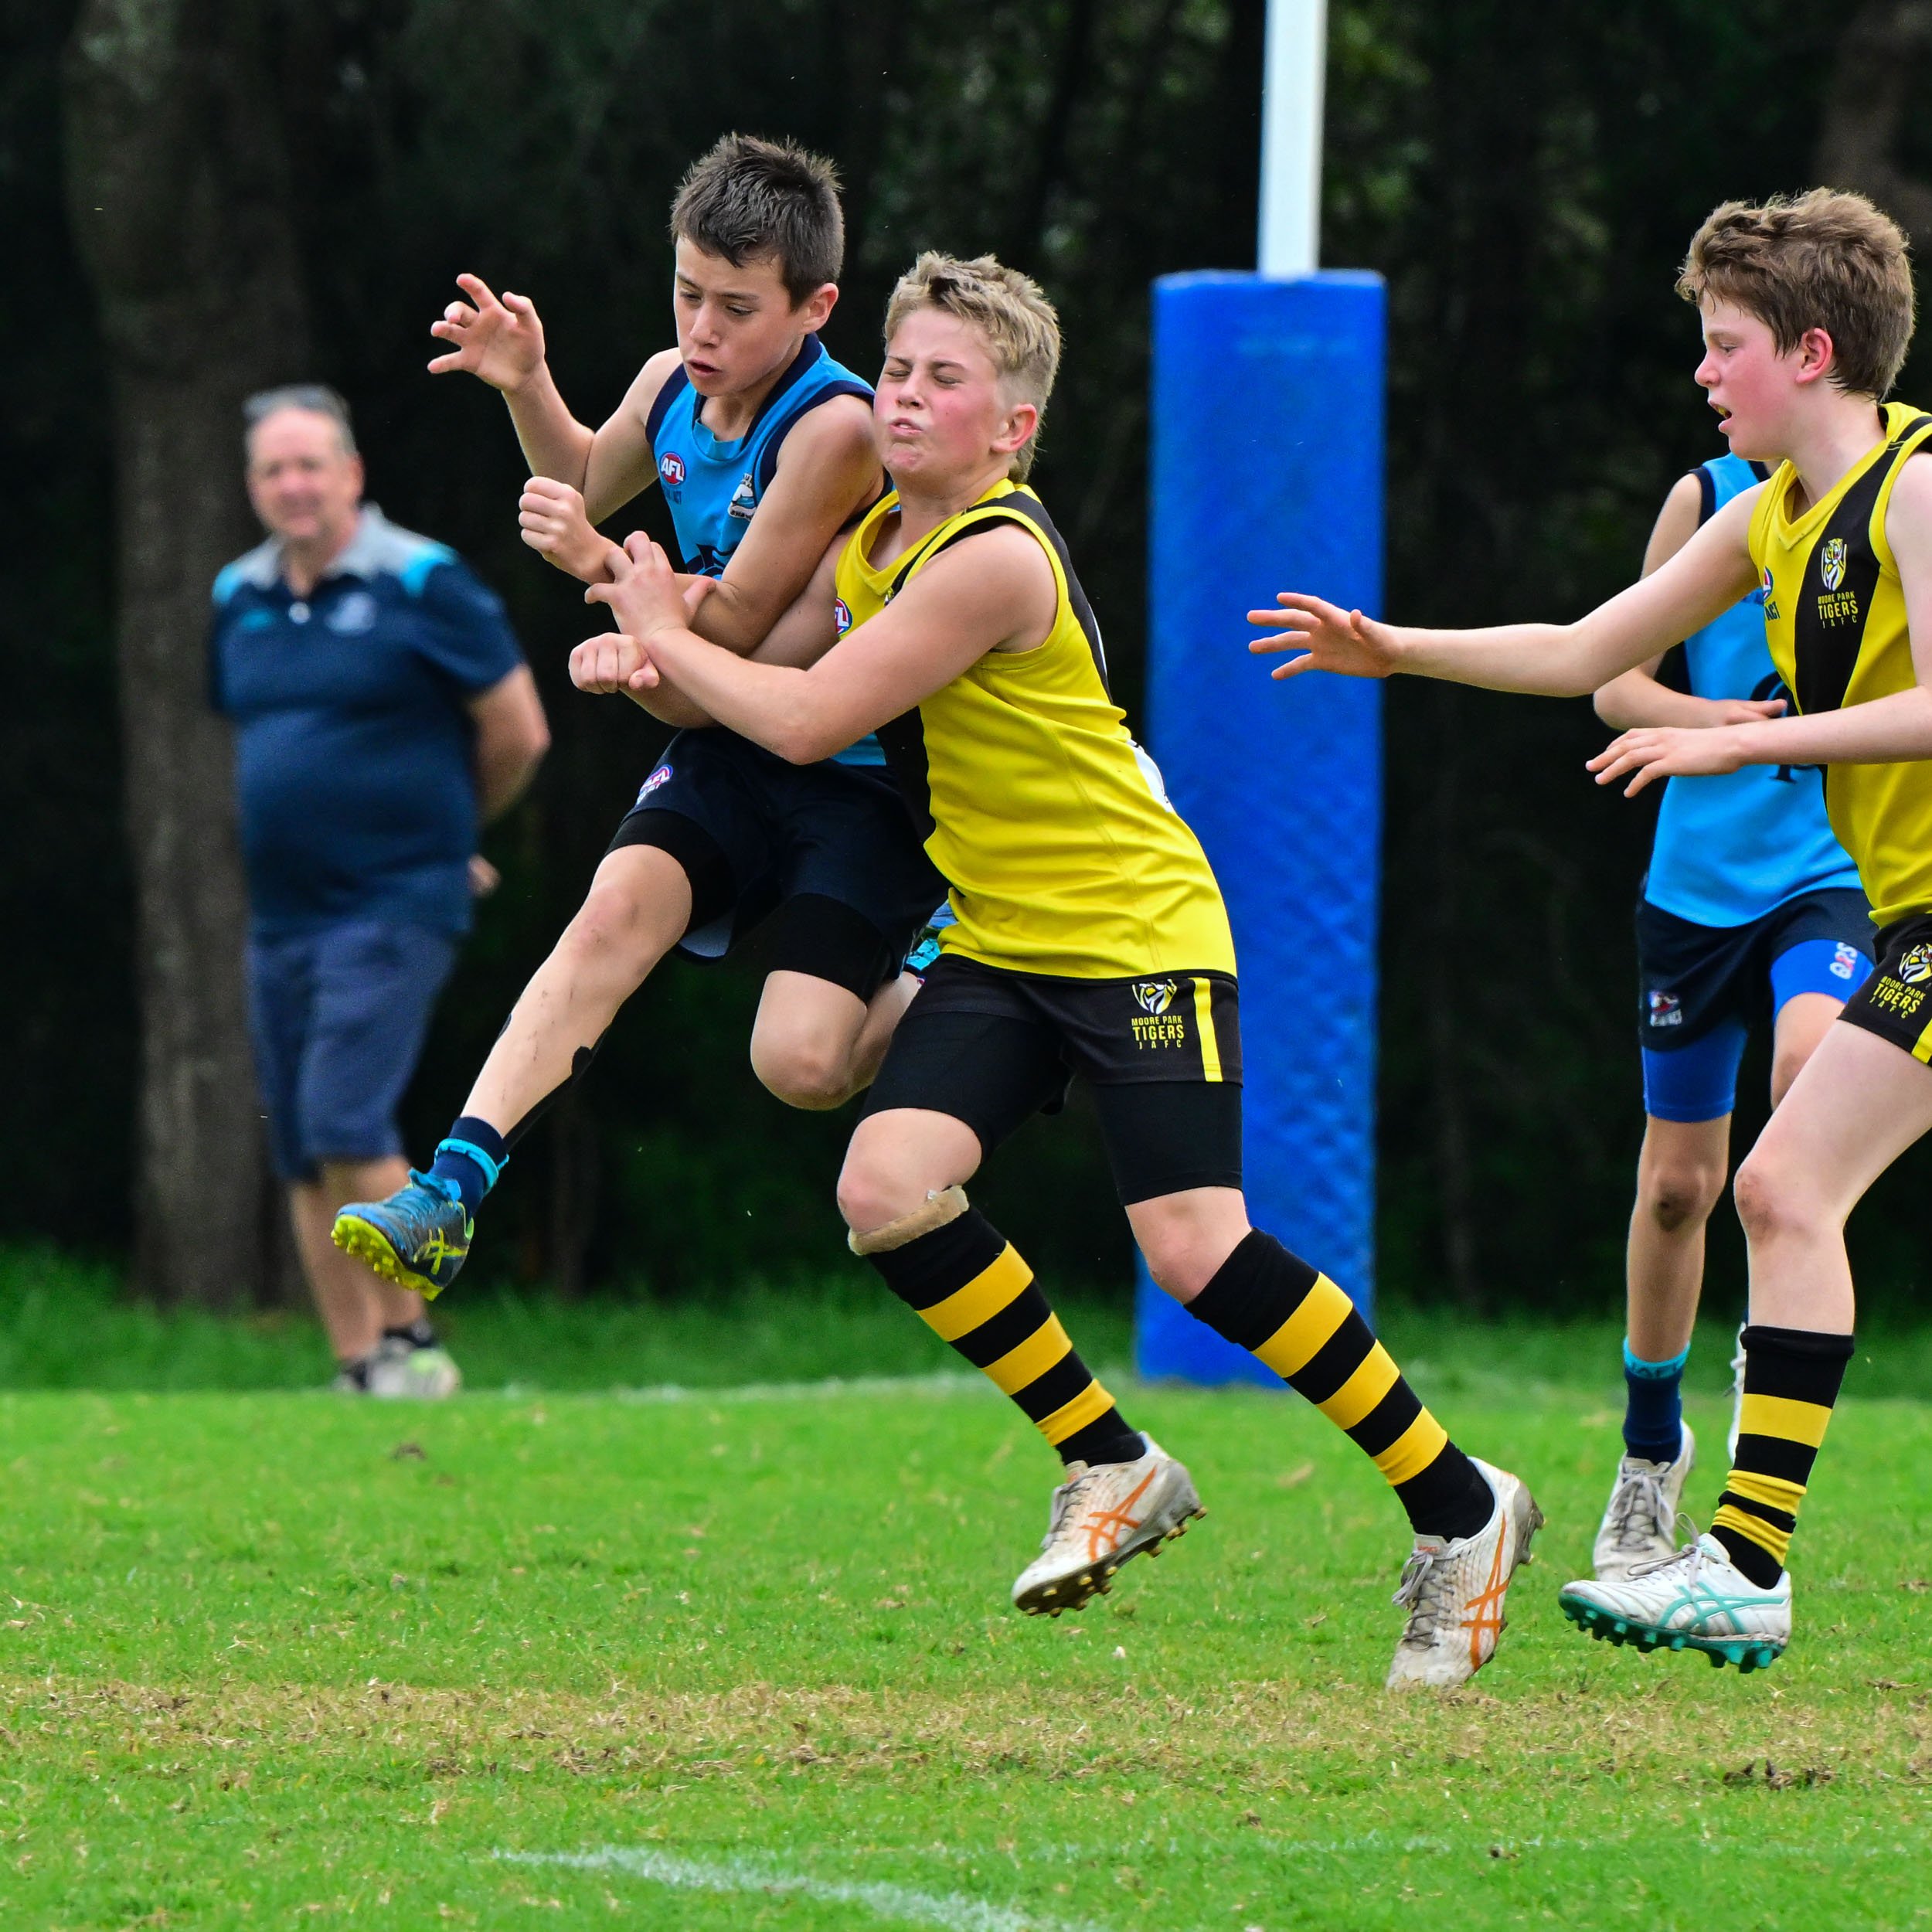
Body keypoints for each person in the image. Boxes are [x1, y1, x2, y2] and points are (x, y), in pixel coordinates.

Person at [577, 251, 1541, 1690]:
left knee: (1196, 1251)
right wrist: (651, 651)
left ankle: (1462, 1508)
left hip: (1133, 931)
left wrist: (660, 635)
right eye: (897, 371)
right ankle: (1110, 1459)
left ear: (1014, 427)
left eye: (944, 380)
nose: (905, 398)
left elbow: (805, 720)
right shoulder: (874, 543)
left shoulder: (994, 558)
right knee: (884, 1186)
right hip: (1001, 935)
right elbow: (754, 657)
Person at [1250, 189, 1930, 1672]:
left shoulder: (1918, 489)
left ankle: (1742, 1561)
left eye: (1726, 344)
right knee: (1781, 1187)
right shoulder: (1767, 514)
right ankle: (1743, 1560)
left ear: (1812, 353)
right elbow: (1582, 652)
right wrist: (1394, 649)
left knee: (1783, 1184)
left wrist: (1738, 738)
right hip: (1918, 920)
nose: (1703, 372)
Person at [333, 135, 944, 1297]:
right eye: (687, 292)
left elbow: (742, 621)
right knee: (613, 912)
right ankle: (449, 1192)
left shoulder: (834, 430)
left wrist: (608, 576)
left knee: (804, 1065)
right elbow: (581, 474)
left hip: (849, 765)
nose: (702, 329)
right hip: (732, 731)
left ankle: (955, 959)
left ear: (815, 309)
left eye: (736, 309)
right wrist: (527, 384)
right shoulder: (670, 383)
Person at [210, 384, 549, 1394]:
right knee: (300, 1144)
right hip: (283, 914)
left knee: (343, 1117)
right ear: (252, 486)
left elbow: (519, 731)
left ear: (352, 473)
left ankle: (416, 1347)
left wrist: (450, 838)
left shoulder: (423, 581)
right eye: (273, 469)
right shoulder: (237, 597)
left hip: (397, 898)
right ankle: (359, 1364)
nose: (294, 485)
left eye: (310, 465)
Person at [1587, 456, 1872, 1580]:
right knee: (1676, 1189)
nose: (1708, 378)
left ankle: (1778, 1356)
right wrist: (1720, 724)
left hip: (1832, 869)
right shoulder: (1711, 502)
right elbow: (1613, 684)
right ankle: (1651, 1451)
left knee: (1809, 1076)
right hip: (1697, 891)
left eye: (1724, 362)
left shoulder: (1891, 497)